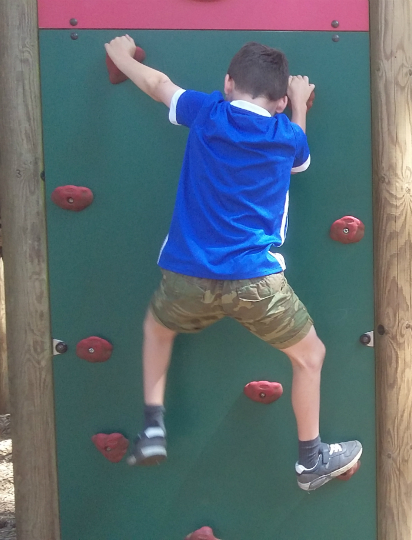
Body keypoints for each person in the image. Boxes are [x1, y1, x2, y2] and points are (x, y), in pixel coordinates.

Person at [104, 36, 361, 491]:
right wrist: (300, 103)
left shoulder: (206, 111)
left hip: (186, 276)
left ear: (227, 83)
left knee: (157, 330)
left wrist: (121, 57)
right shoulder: (285, 135)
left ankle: (152, 427)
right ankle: (310, 458)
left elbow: (158, 84)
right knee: (310, 357)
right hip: (256, 282)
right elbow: (300, 158)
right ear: (280, 100)